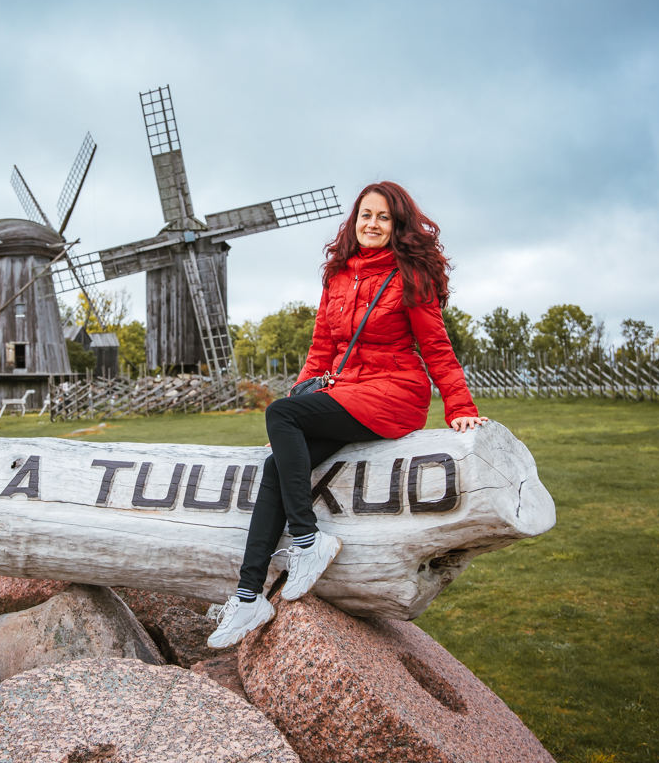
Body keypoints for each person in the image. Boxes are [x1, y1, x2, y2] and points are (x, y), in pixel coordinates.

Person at [207, 182, 488, 649]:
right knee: (277, 462)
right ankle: (248, 593)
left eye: (383, 217)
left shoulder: (409, 275)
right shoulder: (337, 276)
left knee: (280, 414)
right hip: (346, 391)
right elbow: (321, 349)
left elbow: (436, 347)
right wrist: (298, 405)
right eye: (365, 215)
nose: (372, 224)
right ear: (354, 222)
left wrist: (460, 406)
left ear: (397, 226)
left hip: (395, 392)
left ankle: (307, 540)